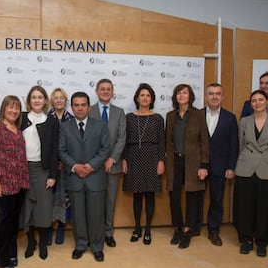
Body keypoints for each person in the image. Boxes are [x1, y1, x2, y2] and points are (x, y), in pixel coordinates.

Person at [59, 91, 109, 262]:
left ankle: (96, 246)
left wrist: (90, 166)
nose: (79, 108)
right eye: (76, 105)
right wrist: (74, 166)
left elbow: (105, 150)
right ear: (71, 107)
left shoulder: (101, 125)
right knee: (78, 215)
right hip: (75, 178)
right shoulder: (64, 127)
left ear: (88, 106)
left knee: (96, 214)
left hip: (95, 177)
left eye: (83, 105)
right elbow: (61, 151)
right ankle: (80, 244)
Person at [234, 90, 268, 257]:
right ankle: (247, 240)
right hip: (246, 168)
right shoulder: (244, 121)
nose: (257, 103)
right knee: (245, 206)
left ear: (266, 102)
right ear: (250, 104)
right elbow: (240, 145)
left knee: (265, 207)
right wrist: (239, 164)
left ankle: (262, 241)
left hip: (267, 169)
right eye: (254, 100)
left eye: (260, 99)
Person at [0, 95, 29, 268]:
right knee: (5, 221)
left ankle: (11, 253)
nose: (13, 111)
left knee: (13, 221)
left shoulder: (18, 130)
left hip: (19, 182)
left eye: (17, 108)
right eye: (10, 107)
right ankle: (0, 259)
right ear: (3, 108)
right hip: (3, 182)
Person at [165, 84, 209, 249]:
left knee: (192, 196)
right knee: (174, 196)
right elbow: (168, 142)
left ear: (190, 96)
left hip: (193, 162)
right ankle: (177, 228)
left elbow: (204, 141)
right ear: (175, 97)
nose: (181, 95)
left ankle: (188, 230)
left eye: (185, 93)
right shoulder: (170, 116)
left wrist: (204, 165)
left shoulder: (198, 115)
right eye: (178, 93)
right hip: (174, 161)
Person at [122, 83, 165, 245]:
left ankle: (147, 229)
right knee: (137, 195)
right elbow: (124, 141)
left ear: (151, 99)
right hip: (133, 157)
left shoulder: (158, 118)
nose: (145, 98)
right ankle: (137, 227)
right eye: (142, 95)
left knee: (150, 194)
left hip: (152, 157)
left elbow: (162, 141)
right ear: (137, 98)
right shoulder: (129, 118)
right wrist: (124, 159)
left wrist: (161, 161)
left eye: (148, 95)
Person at [21, 85, 59, 260]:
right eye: (33, 97)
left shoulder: (51, 121)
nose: (36, 100)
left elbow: (54, 151)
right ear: (29, 101)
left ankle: (43, 244)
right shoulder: (20, 118)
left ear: (45, 101)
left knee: (43, 209)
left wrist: (52, 175)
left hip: (42, 170)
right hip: (22, 170)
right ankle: (31, 242)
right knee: (26, 208)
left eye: (40, 97)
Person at [89, 78, 126, 247]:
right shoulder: (89, 111)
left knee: (110, 200)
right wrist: (96, 161)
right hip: (93, 166)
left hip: (113, 164)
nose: (105, 91)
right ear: (96, 91)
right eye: (102, 89)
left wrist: (112, 158)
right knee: (94, 201)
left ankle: (108, 233)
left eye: (108, 89)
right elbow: (86, 139)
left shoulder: (119, 112)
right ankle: (93, 233)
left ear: (112, 92)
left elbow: (121, 137)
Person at [202, 83, 238, 246]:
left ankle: (213, 230)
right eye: (211, 93)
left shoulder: (230, 118)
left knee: (217, 199)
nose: (214, 96)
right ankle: (195, 227)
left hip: (220, 166)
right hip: (199, 166)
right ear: (206, 96)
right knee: (196, 198)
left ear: (222, 96)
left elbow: (234, 145)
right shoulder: (197, 115)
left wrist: (231, 167)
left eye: (218, 94)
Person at [47, 88, 74, 245]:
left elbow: (74, 143)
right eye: (55, 98)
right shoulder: (45, 118)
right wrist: (53, 161)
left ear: (66, 101)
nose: (58, 100)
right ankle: (49, 227)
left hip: (66, 165)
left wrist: (64, 160)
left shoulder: (71, 119)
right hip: (49, 166)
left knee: (65, 196)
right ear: (52, 100)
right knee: (49, 197)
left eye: (61, 98)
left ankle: (61, 227)